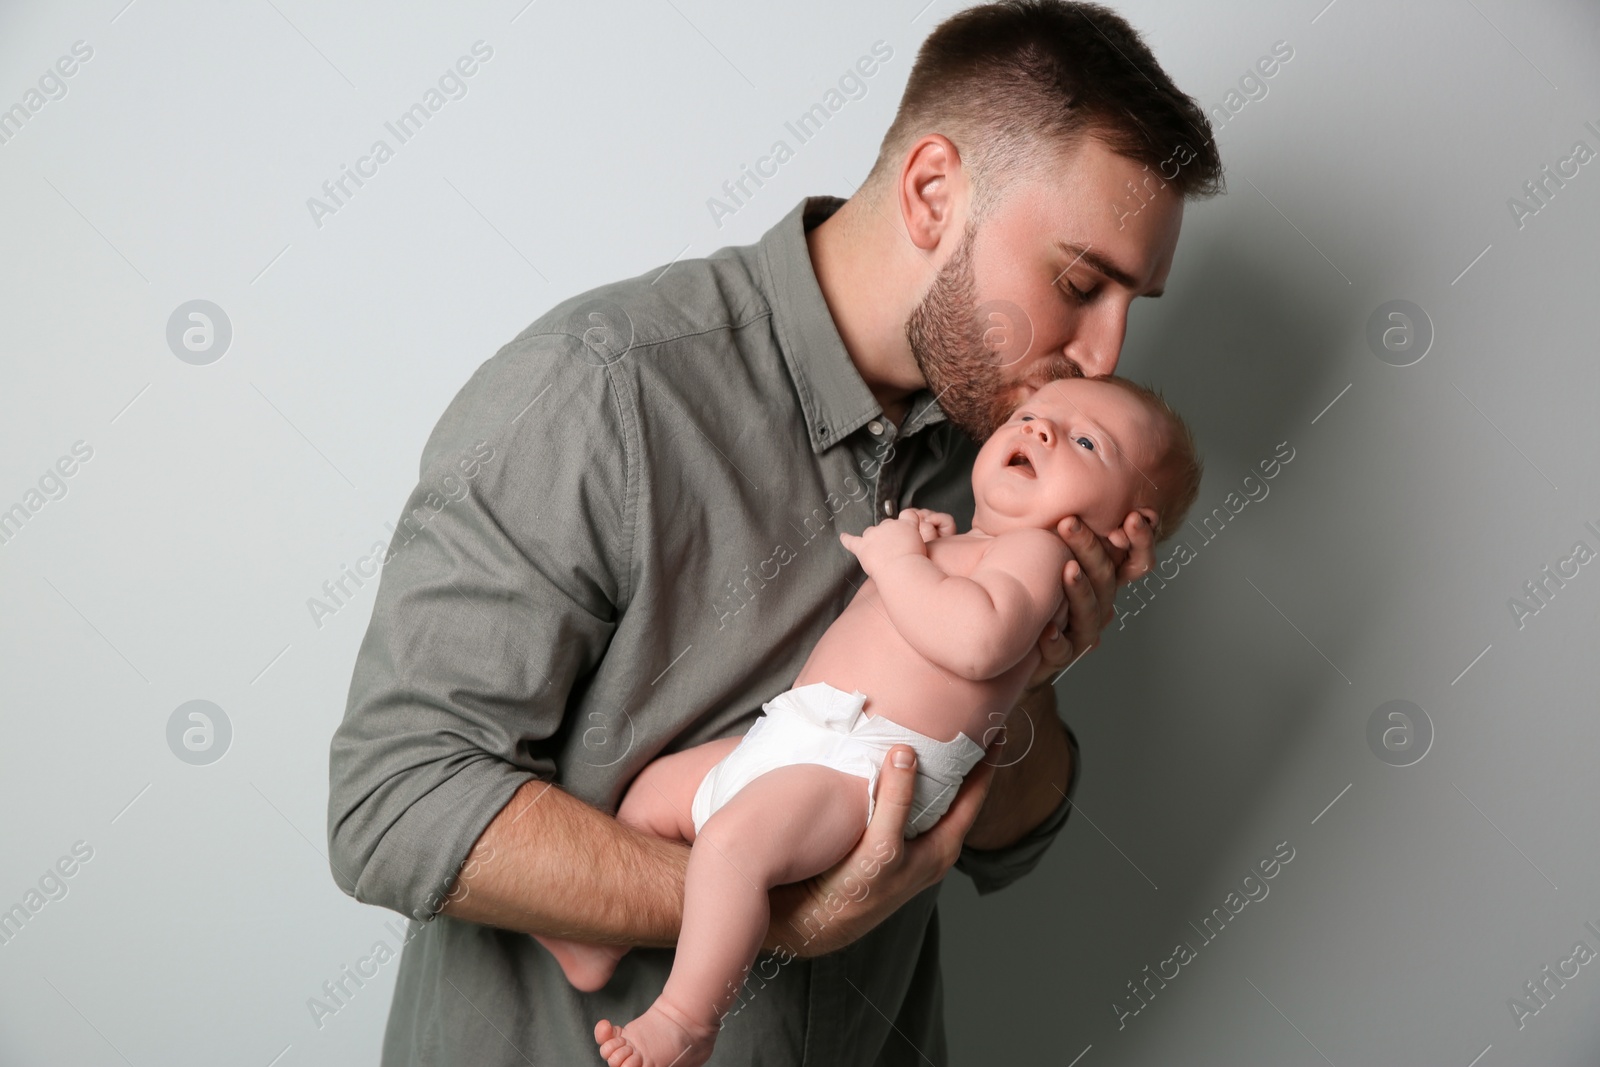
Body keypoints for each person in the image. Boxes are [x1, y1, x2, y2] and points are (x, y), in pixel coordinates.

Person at [326, 2, 1223, 1063]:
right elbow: (393, 803)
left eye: (1134, 302)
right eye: (1079, 282)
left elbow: (1005, 844)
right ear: (935, 192)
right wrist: (772, 905)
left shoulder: (1014, 460)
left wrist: (1027, 679)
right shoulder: (600, 390)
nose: (1105, 353)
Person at [538, 376, 1203, 1067]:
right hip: (802, 735)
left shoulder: (1037, 556)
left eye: (1086, 441)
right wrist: (923, 544)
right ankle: (595, 942)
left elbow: (975, 640)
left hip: (870, 765)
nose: (1041, 430)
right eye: (1033, 415)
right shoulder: (967, 545)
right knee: (653, 795)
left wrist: (898, 559)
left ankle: (686, 1019)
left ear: (1127, 531)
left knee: (733, 848)